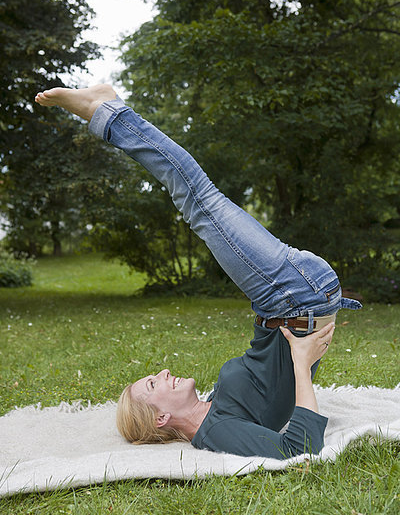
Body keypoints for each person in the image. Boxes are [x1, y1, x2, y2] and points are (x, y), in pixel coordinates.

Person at [35, 84, 362, 460]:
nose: (163, 371)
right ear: (161, 418)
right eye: (154, 383)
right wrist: (302, 365)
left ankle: (108, 111)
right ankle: (106, 110)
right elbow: (300, 450)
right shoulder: (217, 433)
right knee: (196, 198)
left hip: (289, 300)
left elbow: (265, 380)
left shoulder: (213, 412)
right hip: (294, 295)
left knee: (198, 200)